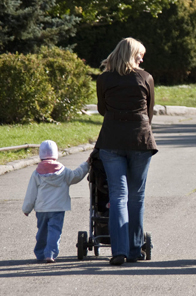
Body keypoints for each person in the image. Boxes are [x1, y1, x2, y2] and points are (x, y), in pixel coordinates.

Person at [96, 37, 158, 266]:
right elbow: (149, 112)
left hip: (111, 139)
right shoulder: (145, 78)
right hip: (140, 140)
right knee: (136, 196)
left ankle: (118, 251)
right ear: (132, 55)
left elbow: (103, 109)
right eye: (140, 54)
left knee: (118, 196)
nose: (143, 58)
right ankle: (134, 249)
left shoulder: (104, 79)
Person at [22, 140, 89, 263]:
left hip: (41, 209)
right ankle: (50, 254)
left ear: (40, 155)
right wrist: (86, 164)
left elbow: (31, 192)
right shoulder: (63, 172)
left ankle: (40, 253)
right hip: (58, 208)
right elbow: (77, 175)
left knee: (42, 231)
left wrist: (27, 208)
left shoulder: (37, 173)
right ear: (56, 154)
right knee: (54, 231)